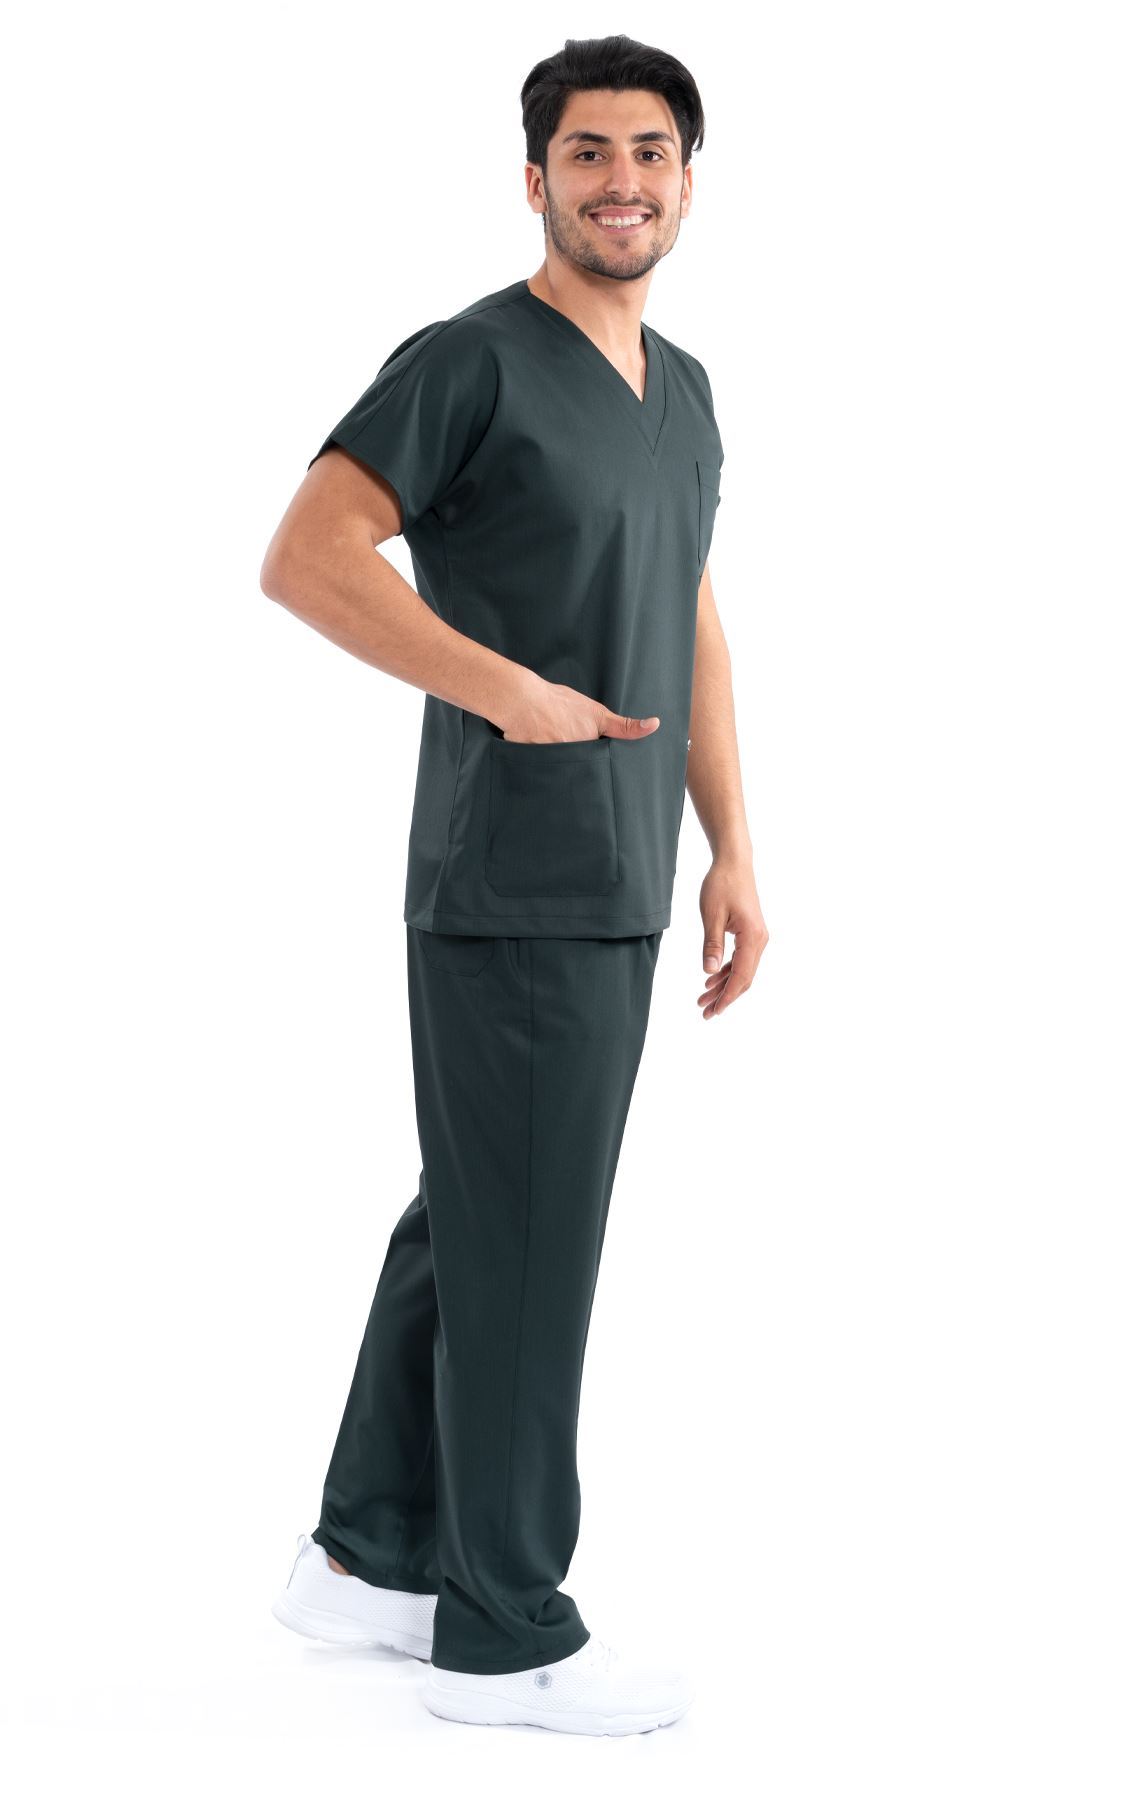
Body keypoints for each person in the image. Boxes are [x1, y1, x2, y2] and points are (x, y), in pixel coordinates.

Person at [260, 33, 768, 1737]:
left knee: (479, 1216)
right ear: (534, 177)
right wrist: (504, 690)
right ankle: (505, 1630)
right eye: (587, 152)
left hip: (625, 872)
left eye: (650, 151)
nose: (622, 179)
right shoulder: (468, 362)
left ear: (688, 178)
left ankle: (365, 1554)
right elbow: (307, 554)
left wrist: (732, 842)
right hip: (513, 878)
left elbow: (689, 611)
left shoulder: (685, 393)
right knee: (531, 1244)